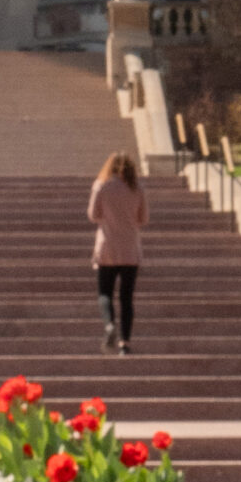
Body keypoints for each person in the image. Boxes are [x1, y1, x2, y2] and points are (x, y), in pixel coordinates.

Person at [88, 150, 147, 355]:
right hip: (130, 248)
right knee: (127, 298)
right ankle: (125, 344)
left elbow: (93, 215)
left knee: (105, 292)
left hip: (108, 247)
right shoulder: (137, 188)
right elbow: (143, 218)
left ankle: (109, 325)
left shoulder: (101, 185)